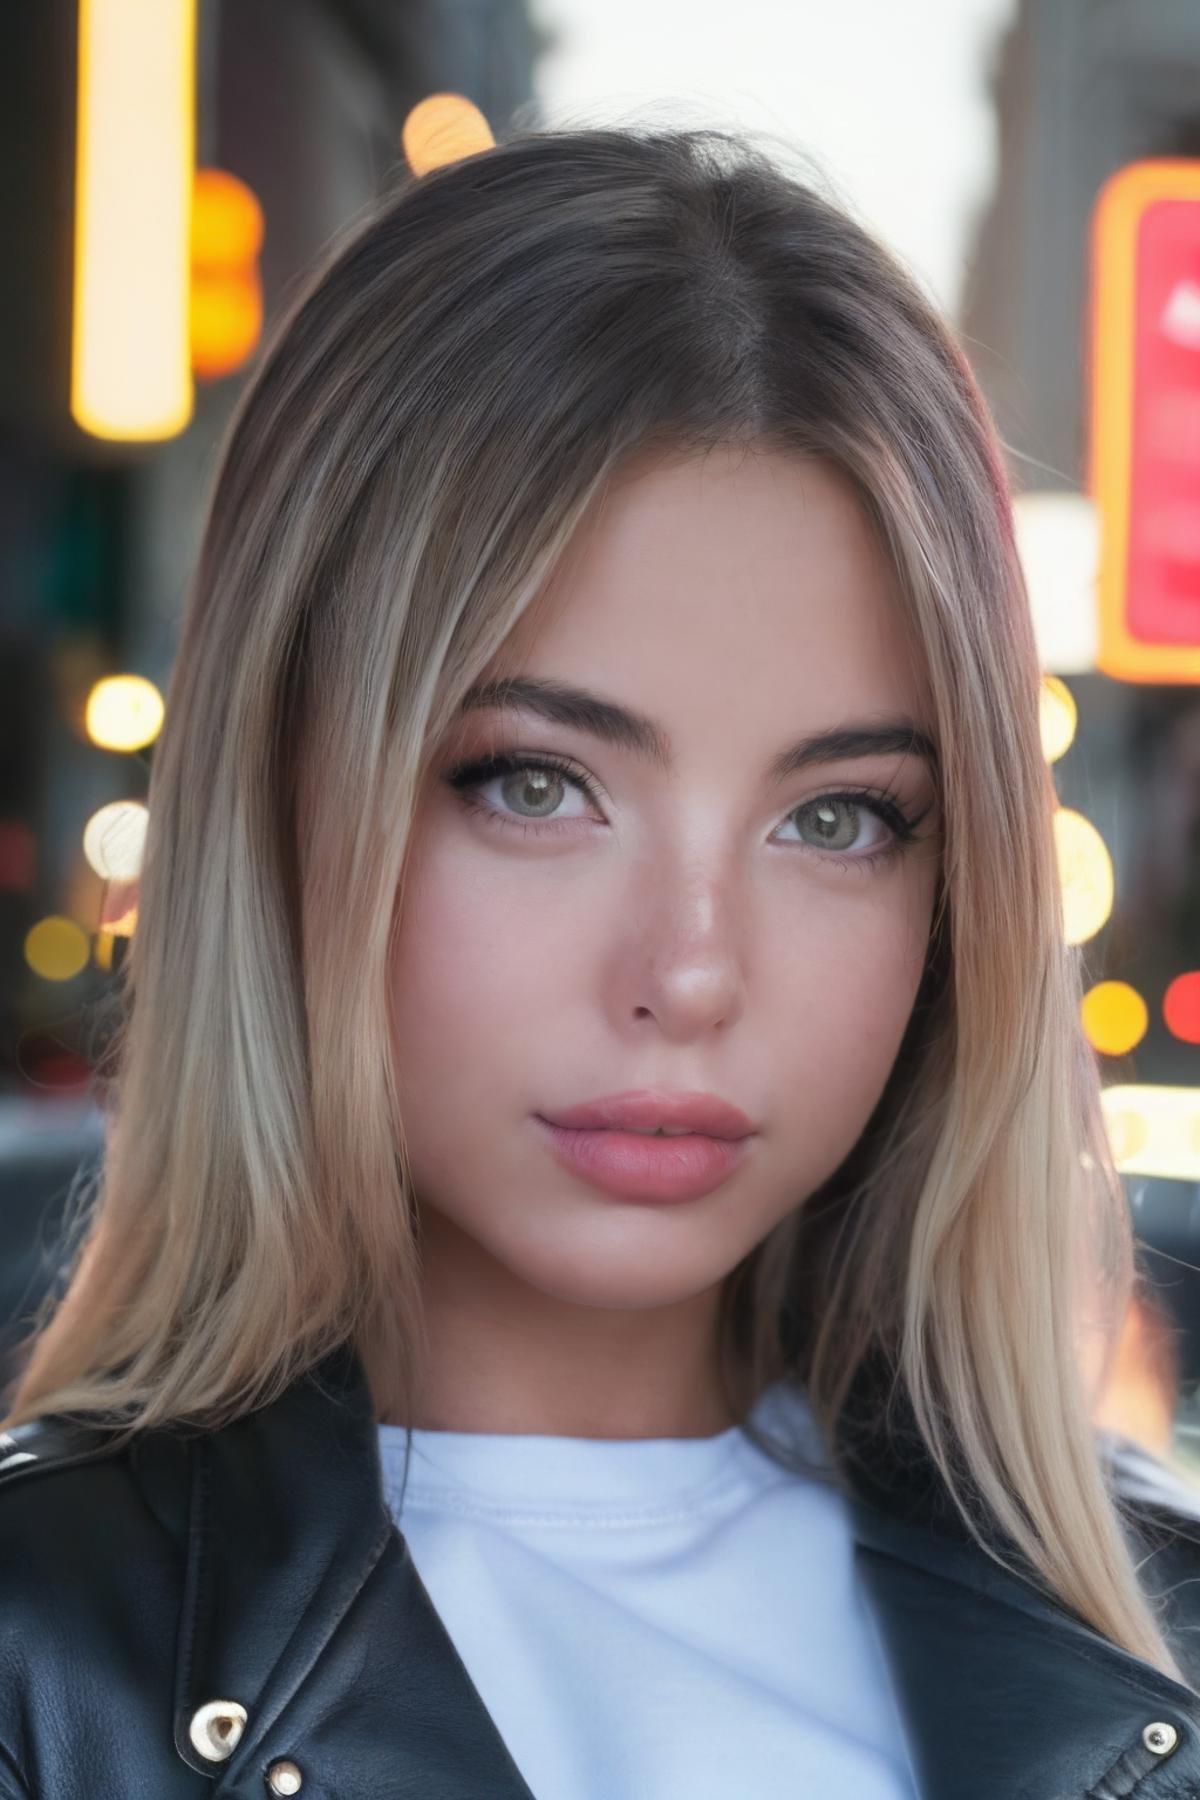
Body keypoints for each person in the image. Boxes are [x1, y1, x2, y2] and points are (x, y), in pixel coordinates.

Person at [2, 121, 1199, 1800]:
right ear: (286, 802)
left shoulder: (1158, 1656)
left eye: (841, 818)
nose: (692, 972)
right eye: (538, 785)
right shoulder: (43, 1669)